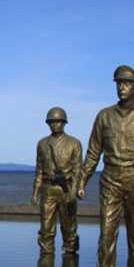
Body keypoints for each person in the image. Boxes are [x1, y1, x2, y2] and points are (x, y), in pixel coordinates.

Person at [78, 65, 134, 267]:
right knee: (106, 235)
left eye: (127, 83)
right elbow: (93, 153)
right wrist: (81, 181)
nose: (121, 88)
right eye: (119, 83)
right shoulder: (104, 116)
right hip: (110, 179)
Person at [31, 107, 82, 254]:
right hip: (47, 190)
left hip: (66, 190)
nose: (55, 125)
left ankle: (70, 263)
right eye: (51, 122)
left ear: (64, 122)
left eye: (58, 121)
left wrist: (73, 192)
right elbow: (39, 170)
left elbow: (77, 169)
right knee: (46, 229)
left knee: (69, 228)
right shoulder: (42, 144)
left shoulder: (74, 143)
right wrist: (35, 193)